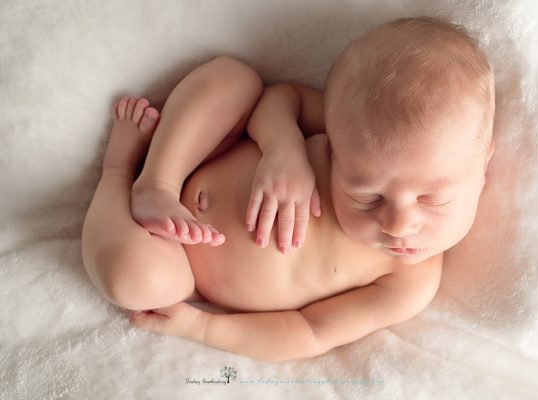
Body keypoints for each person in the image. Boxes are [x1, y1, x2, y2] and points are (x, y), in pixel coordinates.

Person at [81, 17, 495, 362]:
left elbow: (310, 332)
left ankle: (118, 173)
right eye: (365, 196)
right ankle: (154, 180)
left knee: (134, 282)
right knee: (234, 77)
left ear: (483, 167)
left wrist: (201, 325)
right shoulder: (354, 133)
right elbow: (283, 97)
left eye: (433, 199)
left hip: (183, 267)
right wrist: (283, 148)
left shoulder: (410, 282)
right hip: (202, 154)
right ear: (335, 142)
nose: (398, 224)